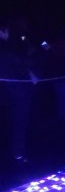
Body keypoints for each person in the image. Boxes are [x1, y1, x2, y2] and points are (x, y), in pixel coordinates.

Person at [0, 17, 38, 165]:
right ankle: (18, 155)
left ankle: (16, 152)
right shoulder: (6, 46)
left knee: (13, 122)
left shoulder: (17, 40)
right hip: (16, 91)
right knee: (19, 123)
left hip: (11, 90)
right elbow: (18, 62)